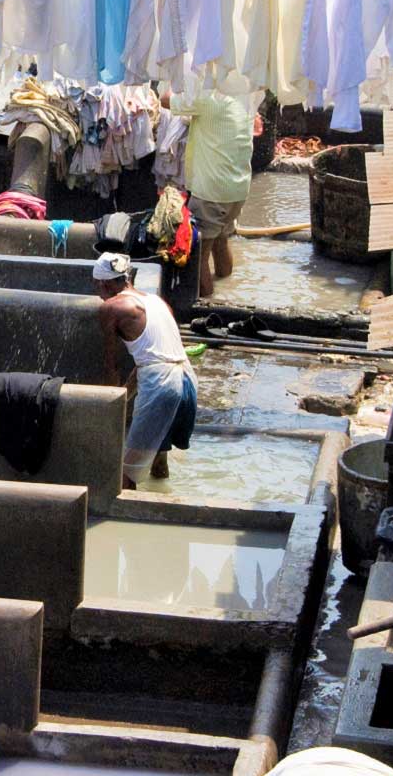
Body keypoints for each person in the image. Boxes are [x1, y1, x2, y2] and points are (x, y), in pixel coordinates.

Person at [95, 253, 198, 490]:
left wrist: (109, 412)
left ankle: (121, 525)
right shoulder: (157, 302)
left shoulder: (111, 307)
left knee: (124, 475)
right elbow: (152, 358)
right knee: (159, 460)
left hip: (160, 385)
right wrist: (125, 396)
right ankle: (163, 500)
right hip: (187, 379)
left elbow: (112, 365)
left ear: (103, 283)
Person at [164, 91, 260, 300]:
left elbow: (165, 100)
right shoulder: (246, 97)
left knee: (199, 254)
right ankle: (227, 290)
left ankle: (208, 304)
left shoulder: (207, 98)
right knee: (221, 239)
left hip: (212, 192)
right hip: (237, 189)